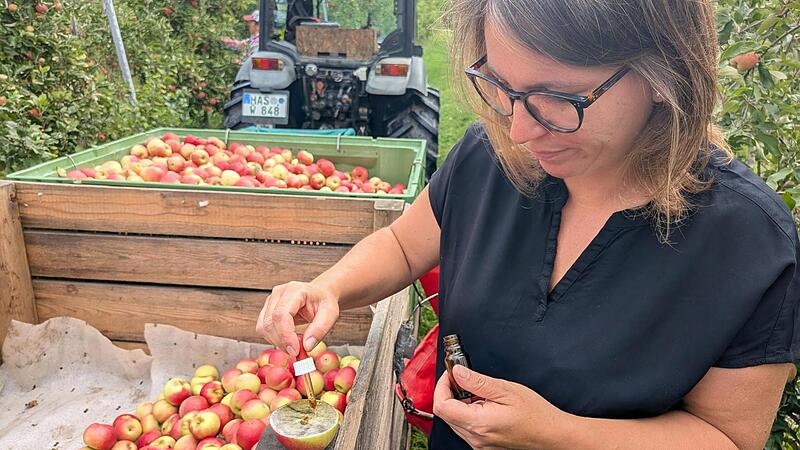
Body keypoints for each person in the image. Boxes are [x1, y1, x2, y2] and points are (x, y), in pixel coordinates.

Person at [256, 0, 800, 448]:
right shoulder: (489, 157)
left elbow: (727, 437)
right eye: (501, 85)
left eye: (558, 99)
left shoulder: (747, 243)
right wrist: (327, 288)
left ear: (666, 76)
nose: (517, 130)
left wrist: (557, 434)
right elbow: (403, 244)